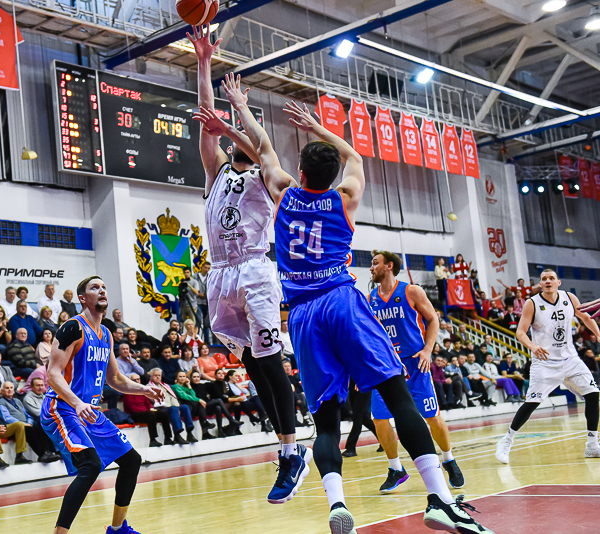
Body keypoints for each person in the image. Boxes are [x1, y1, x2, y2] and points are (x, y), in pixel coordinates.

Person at [215, 75, 491, 533]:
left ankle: (338, 505)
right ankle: (440, 499)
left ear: (301, 172)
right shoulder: (345, 199)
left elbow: (263, 149)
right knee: (398, 397)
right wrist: (318, 127)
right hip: (342, 301)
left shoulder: (284, 192)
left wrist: (239, 108)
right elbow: (356, 157)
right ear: (332, 176)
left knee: (325, 425)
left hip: (302, 316)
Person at [189, 26, 309, 506]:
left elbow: (261, 146)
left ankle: (291, 450)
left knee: (271, 363)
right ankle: (285, 445)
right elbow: (206, 122)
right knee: (253, 366)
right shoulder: (217, 171)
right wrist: (203, 63)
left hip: (254, 271)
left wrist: (239, 112)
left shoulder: (266, 174)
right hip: (220, 274)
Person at [41, 276, 163, 534]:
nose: (102, 290)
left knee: (131, 460)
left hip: (89, 411)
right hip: (62, 407)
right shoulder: (72, 328)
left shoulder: (106, 334)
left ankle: (117, 529)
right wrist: (77, 403)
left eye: (104, 287)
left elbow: (115, 379)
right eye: (94, 288)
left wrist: (145, 389)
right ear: (82, 298)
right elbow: (52, 374)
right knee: (91, 465)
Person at [367, 251, 465, 492]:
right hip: (386, 366)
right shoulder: (370, 298)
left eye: (375, 263)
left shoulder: (412, 291)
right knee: (379, 419)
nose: (371, 267)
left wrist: (428, 350)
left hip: (415, 364)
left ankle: (448, 458)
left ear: (389, 266)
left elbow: (433, 319)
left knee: (431, 416)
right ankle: (396, 468)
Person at [496, 269, 600, 463]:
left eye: (552, 278)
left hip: (570, 359)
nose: (548, 281)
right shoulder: (532, 303)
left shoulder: (569, 298)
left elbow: (586, 318)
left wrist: (599, 335)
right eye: (544, 279)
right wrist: (533, 347)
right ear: (541, 284)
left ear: (559, 282)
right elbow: (520, 332)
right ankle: (506, 441)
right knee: (532, 402)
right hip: (545, 362)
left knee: (593, 394)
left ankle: (592, 444)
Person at [0, 381, 58, 463]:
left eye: (11, 388)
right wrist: (23, 424)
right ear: (2, 391)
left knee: (40, 426)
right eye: (7, 388)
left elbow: (27, 414)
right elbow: (6, 418)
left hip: (25, 424)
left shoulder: (17, 401)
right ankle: (42, 454)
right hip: (13, 426)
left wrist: (29, 422)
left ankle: (50, 451)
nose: (9, 390)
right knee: (29, 430)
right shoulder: (1, 402)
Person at [122, 374, 173, 447]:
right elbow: (132, 408)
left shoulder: (142, 391)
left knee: (163, 413)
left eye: (138, 379)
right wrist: (148, 411)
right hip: (134, 415)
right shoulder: (128, 392)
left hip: (146, 413)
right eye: (134, 380)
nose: (136, 381)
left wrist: (151, 408)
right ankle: (153, 440)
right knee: (150, 415)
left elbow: (148, 403)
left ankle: (168, 438)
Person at [149, 368, 196, 445]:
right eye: (155, 375)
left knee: (185, 407)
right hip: (160, 408)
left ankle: (189, 432)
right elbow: (153, 399)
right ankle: (177, 435)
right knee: (174, 409)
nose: (158, 377)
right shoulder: (148, 387)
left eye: (159, 375)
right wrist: (174, 408)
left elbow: (173, 397)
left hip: (172, 407)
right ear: (151, 377)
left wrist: (177, 407)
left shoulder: (165, 385)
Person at [173, 371, 216, 438]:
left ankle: (205, 428)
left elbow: (193, 395)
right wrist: (199, 400)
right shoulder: (175, 386)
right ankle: (202, 426)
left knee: (200, 405)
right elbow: (184, 396)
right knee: (197, 404)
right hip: (183, 406)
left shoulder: (186, 386)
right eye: (180, 376)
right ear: (177, 378)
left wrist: (189, 385)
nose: (182, 378)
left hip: (191, 406)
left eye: (184, 376)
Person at [193, 262, 212, 343]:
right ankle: (197, 340)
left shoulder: (210, 278)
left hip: (206, 303)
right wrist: (198, 294)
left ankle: (207, 342)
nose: (207, 269)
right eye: (205, 267)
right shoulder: (195, 277)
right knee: (198, 322)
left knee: (206, 323)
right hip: (197, 302)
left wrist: (206, 294)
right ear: (201, 267)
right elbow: (191, 289)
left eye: (208, 268)